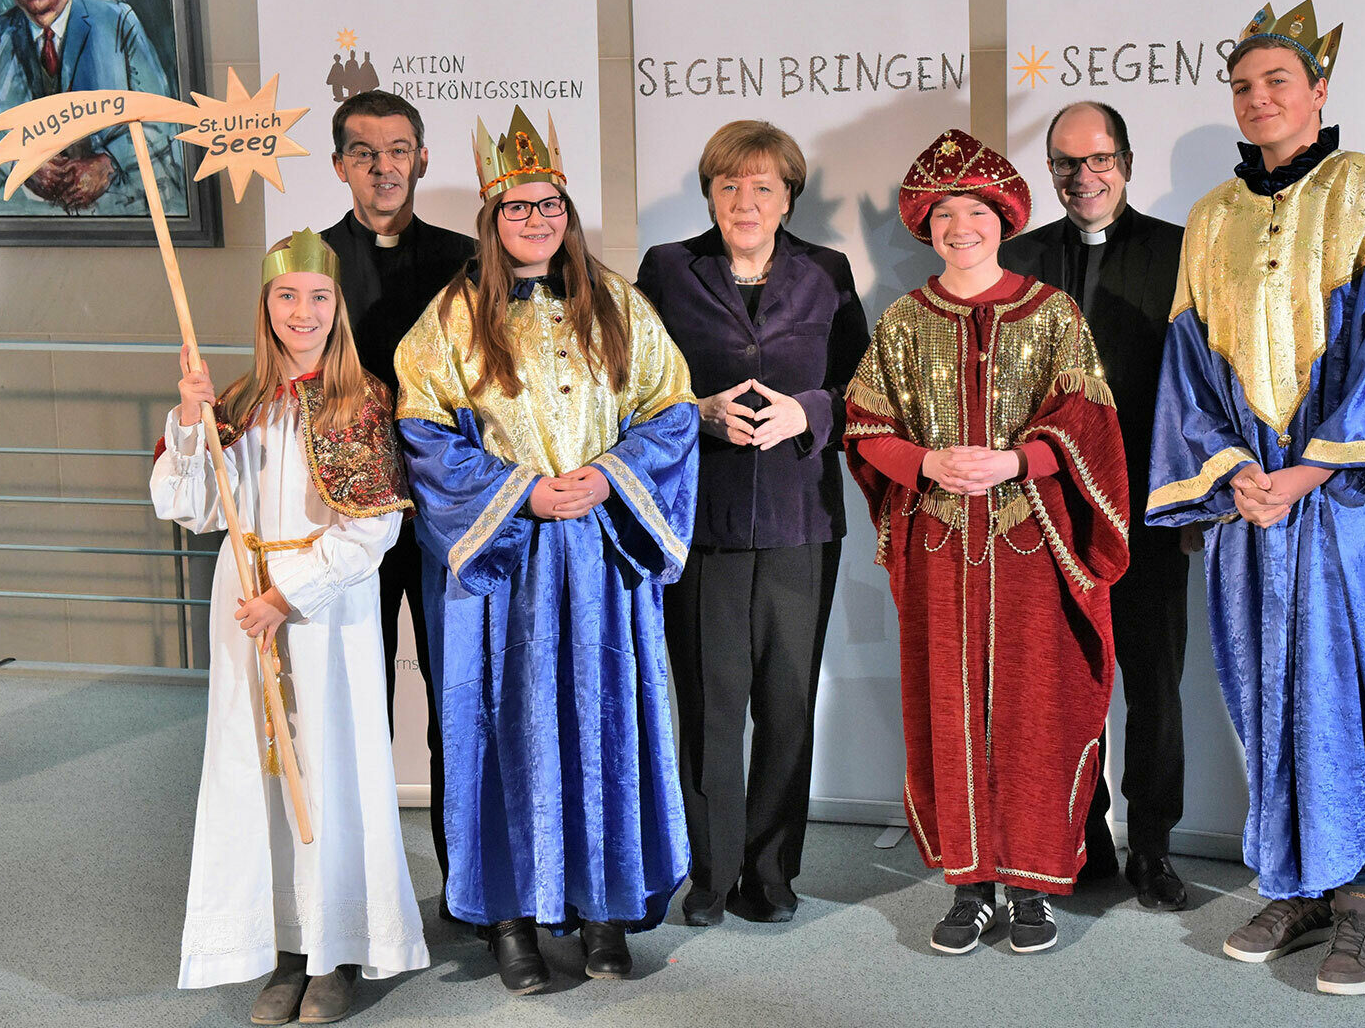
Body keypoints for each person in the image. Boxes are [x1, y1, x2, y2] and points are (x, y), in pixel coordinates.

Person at [1145, 0, 1365, 996]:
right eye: (1242, 87)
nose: (1258, 99)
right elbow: (1190, 368)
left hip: (1352, 514)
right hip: (1256, 512)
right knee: (1269, 695)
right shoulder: (1210, 220)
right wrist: (1232, 471)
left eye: (1276, 81)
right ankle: (1297, 878)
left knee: (1359, 697)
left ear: (1319, 91)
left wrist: (1313, 468)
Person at [394, 105, 697, 993]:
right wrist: (521, 490)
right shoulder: (452, 318)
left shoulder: (620, 306)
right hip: (506, 567)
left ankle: (606, 912)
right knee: (504, 732)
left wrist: (606, 479)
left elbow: (672, 412)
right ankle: (512, 923)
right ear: (492, 221)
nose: (537, 221)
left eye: (550, 206)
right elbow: (421, 433)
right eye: (518, 208)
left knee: (603, 723)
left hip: (598, 559)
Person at [845, 129, 1130, 956]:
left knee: (1037, 711)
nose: (959, 226)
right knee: (947, 711)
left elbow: (1091, 428)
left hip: (1033, 548)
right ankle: (970, 884)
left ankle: (1034, 884)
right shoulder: (903, 322)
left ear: (1003, 218)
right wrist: (929, 460)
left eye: (975, 210)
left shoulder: (1052, 314)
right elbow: (866, 428)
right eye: (944, 214)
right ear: (925, 225)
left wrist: (1015, 458)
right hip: (938, 550)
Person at [152, 229, 427, 1023]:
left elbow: (373, 530)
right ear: (265, 306)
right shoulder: (238, 400)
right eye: (286, 296)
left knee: (329, 768)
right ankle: (285, 946)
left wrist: (288, 595)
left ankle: (338, 949)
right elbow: (193, 507)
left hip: (321, 617)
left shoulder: (363, 400)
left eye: (317, 297)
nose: (301, 312)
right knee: (259, 772)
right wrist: (188, 417)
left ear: (337, 309)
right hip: (244, 607)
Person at [636, 121, 870, 927]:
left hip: (801, 520)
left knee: (787, 700)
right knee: (709, 703)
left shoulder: (827, 272)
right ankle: (710, 873)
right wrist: (694, 413)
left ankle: (770, 875)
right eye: (730, 185)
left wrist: (806, 410)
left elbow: (862, 390)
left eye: (764, 186)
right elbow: (630, 389)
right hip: (700, 521)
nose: (746, 200)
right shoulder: (668, 269)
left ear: (788, 197)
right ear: (710, 192)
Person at [999, 101, 1192, 910]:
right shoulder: (1018, 257)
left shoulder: (1181, 252)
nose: (1084, 177)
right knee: (1067, 685)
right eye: (1066, 164)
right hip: (1050, 513)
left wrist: (1196, 502)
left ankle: (1152, 847)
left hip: (1149, 511)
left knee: (1153, 685)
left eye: (1100, 159)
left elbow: (1199, 387)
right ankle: (1083, 839)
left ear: (1128, 161)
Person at [319, 89, 476, 904]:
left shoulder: (465, 257)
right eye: (366, 153)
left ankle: (472, 893)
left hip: (450, 513)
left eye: (399, 149)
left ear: (422, 157)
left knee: (458, 706)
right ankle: (362, 899)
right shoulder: (308, 262)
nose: (385, 167)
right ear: (341, 164)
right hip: (348, 518)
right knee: (356, 706)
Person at [0, 0, 181, 214]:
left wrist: (109, 163)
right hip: (27, 211)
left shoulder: (117, 20)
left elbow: (163, 116)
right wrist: (20, 165)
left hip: (120, 201)